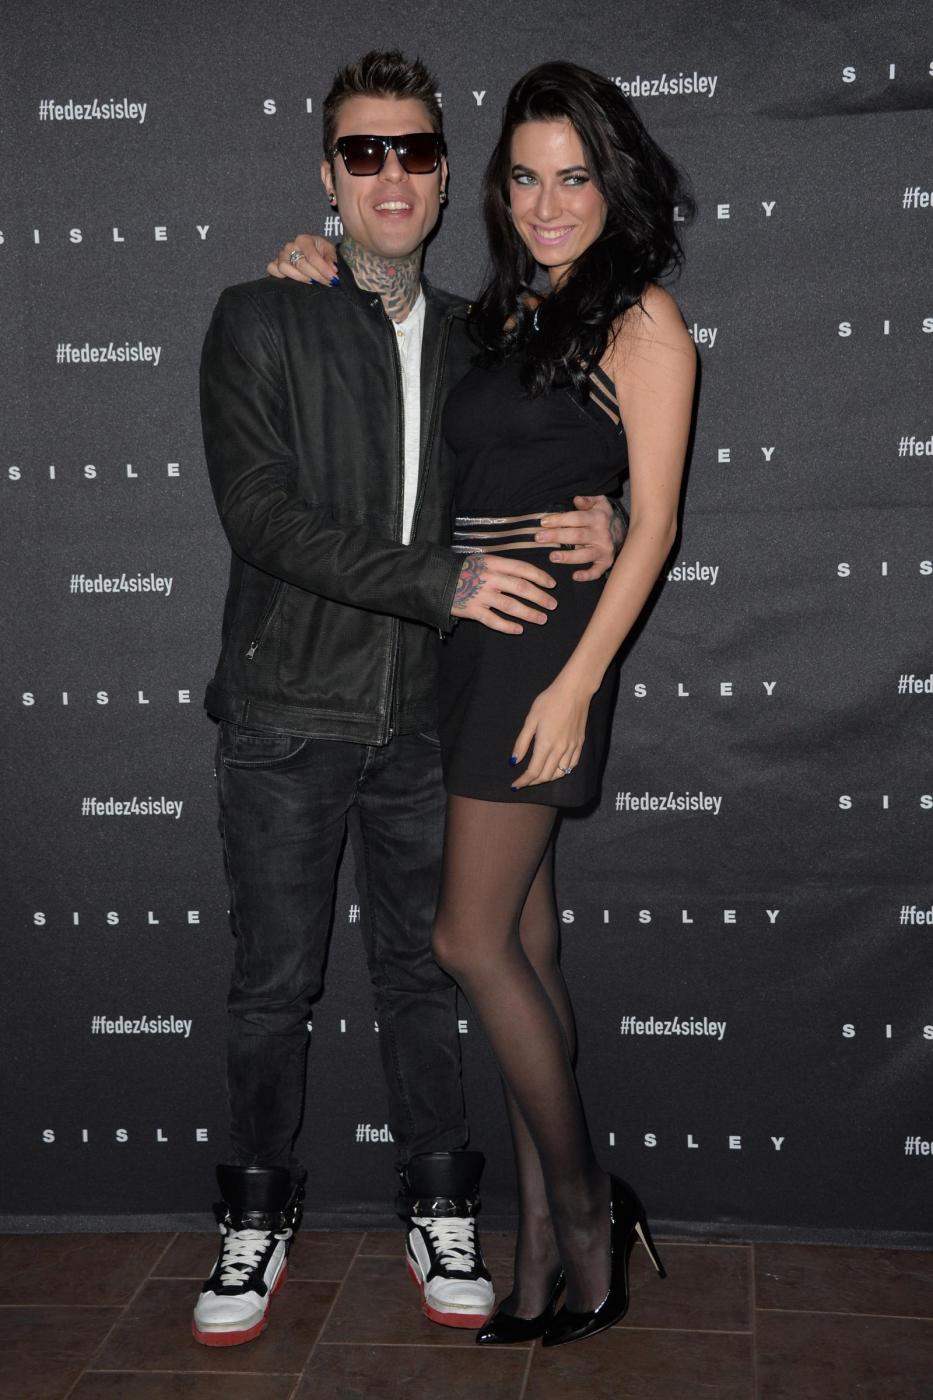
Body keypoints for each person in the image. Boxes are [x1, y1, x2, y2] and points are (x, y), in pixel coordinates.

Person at [194, 51, 621, 1348]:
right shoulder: (261, 316)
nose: (392, 174)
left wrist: (606, 517)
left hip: (435, 715)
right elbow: (262, 516)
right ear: (328, 175)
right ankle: (253, 1218)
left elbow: (552, 455)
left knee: (426, 978)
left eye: (417, 152)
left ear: (444, 181)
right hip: (286, 709)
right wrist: (443, 582)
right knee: (272, 988)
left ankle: (441, 1205)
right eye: (364, 152)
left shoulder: (487, 338)